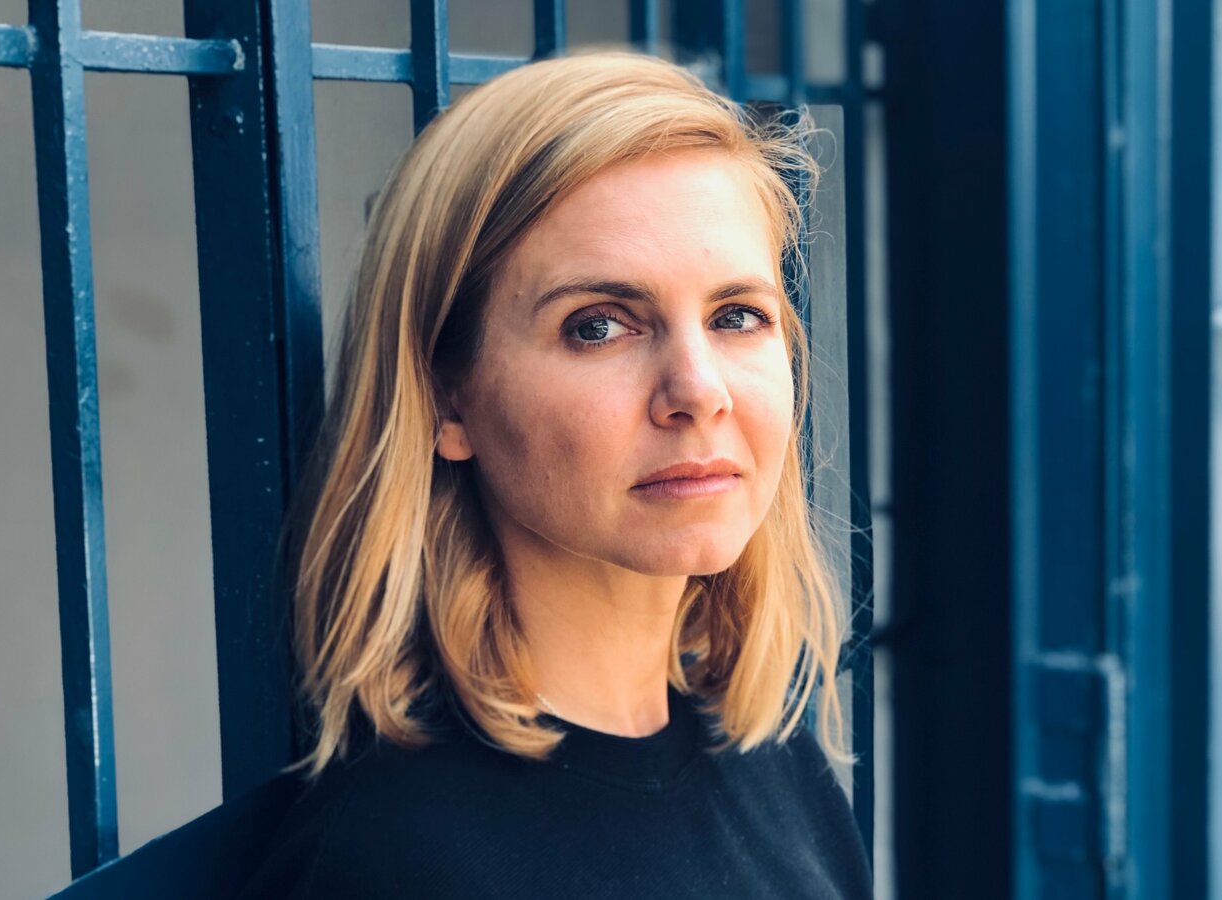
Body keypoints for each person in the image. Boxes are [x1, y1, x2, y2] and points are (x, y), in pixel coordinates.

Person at [238, 51, 871, 898]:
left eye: (736, 315)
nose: (698, 391)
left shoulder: (772, 751)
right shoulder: (397, 861)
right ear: (446, 399)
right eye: (598, 326)